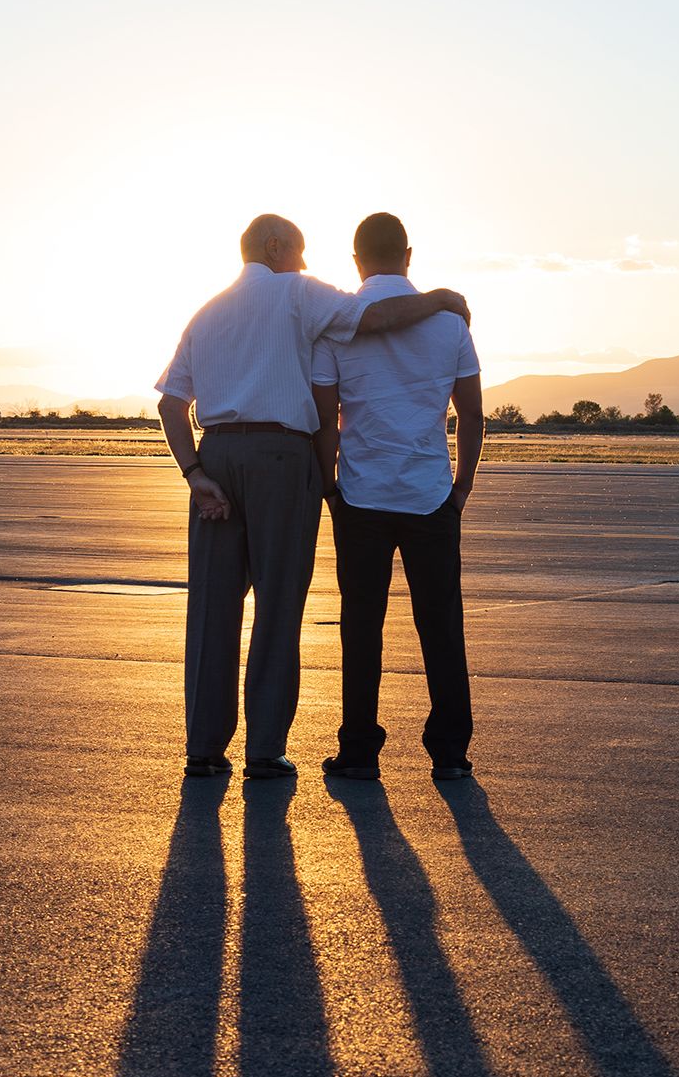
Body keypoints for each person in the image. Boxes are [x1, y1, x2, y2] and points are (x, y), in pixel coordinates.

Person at [156, 214, 471, 780]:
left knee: (211, 606)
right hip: (281, 457)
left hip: (219, 455)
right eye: (299, 252)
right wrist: (441, 299)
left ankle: (203, 750)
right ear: (277, 248)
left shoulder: (205, 312)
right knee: (278, 605)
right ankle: (264, 750)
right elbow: (375, 316)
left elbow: (170, 403)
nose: (304, 263)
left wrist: (195, 473)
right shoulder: (300, 291)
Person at [312, 211, 484, 782]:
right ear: (408, 255)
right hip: (430, 494)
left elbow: (326, 419)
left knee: (361, 627)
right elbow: (471, 415)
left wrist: (330, 485)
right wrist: (461, 488)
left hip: (361, 494)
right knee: (441, 626)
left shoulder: (338, 327)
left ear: (356, 260)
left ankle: (359, 750)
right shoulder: (450, 325)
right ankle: (451, 752)